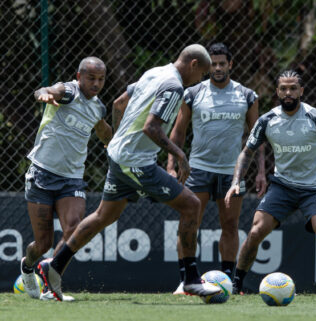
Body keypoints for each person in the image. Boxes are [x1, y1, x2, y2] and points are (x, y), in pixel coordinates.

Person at [38, 44, 222, 301]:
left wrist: (118, 140)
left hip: (120, 156)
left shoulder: (155, 72)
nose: (199, 80)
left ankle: (54, 266)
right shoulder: (174, 87)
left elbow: (118, 103)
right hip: (136, 161)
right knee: (191, 205)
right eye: (201, 74)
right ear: (193, 65)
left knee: (104, 215)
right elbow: (151, 128)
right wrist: (180, 156)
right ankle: (191, 280)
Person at [226, 70, 316, 296]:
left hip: (315, 187)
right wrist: (235, 181)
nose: (288, 93)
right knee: (255, 232)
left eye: (292, 88)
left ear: (301, 91)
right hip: (282, 186)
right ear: (277, 91)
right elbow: (246, 152)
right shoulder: (267, 120)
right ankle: (237, 281)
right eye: (283, 88)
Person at [166, 43, 267, 294]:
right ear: (206, 65)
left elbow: (257, 139)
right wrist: (170, 165)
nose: (218, 68)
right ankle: (186, 280)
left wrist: (262, 172)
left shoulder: (247, 95)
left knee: (230, 226)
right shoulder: (192, 93)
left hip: (233, 173)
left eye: (223, 63)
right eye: (214, 63)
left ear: (231, 64)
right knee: (189, 224)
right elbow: (177, 134)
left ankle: (228, 281)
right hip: (197, 169)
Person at [21, 57, 112, 301]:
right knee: (42, 244)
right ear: (79, 76)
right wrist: (43, 94)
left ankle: (51, 285)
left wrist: (109, 141)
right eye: (91, 78)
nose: (96, 84)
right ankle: (28, 266)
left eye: (101, 79)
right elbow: (48, 90)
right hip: (42, 173)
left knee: (74, 228)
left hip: (71, 178)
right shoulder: (68, 91)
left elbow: (102, 127)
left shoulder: (98, 107)